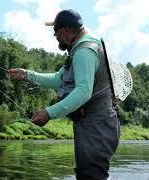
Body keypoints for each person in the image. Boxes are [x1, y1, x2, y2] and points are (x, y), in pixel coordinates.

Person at [8, 9, 120, 180]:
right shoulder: (81, 49)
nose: (56, 37)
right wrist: (27, 75)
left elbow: (83, 92)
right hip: (96, 124)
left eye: (56, 33)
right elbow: (57, 79)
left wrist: (48, 113)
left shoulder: (84, 51)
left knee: (91, 176)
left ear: (65, 31)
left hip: (97, 126)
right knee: (88, 175)